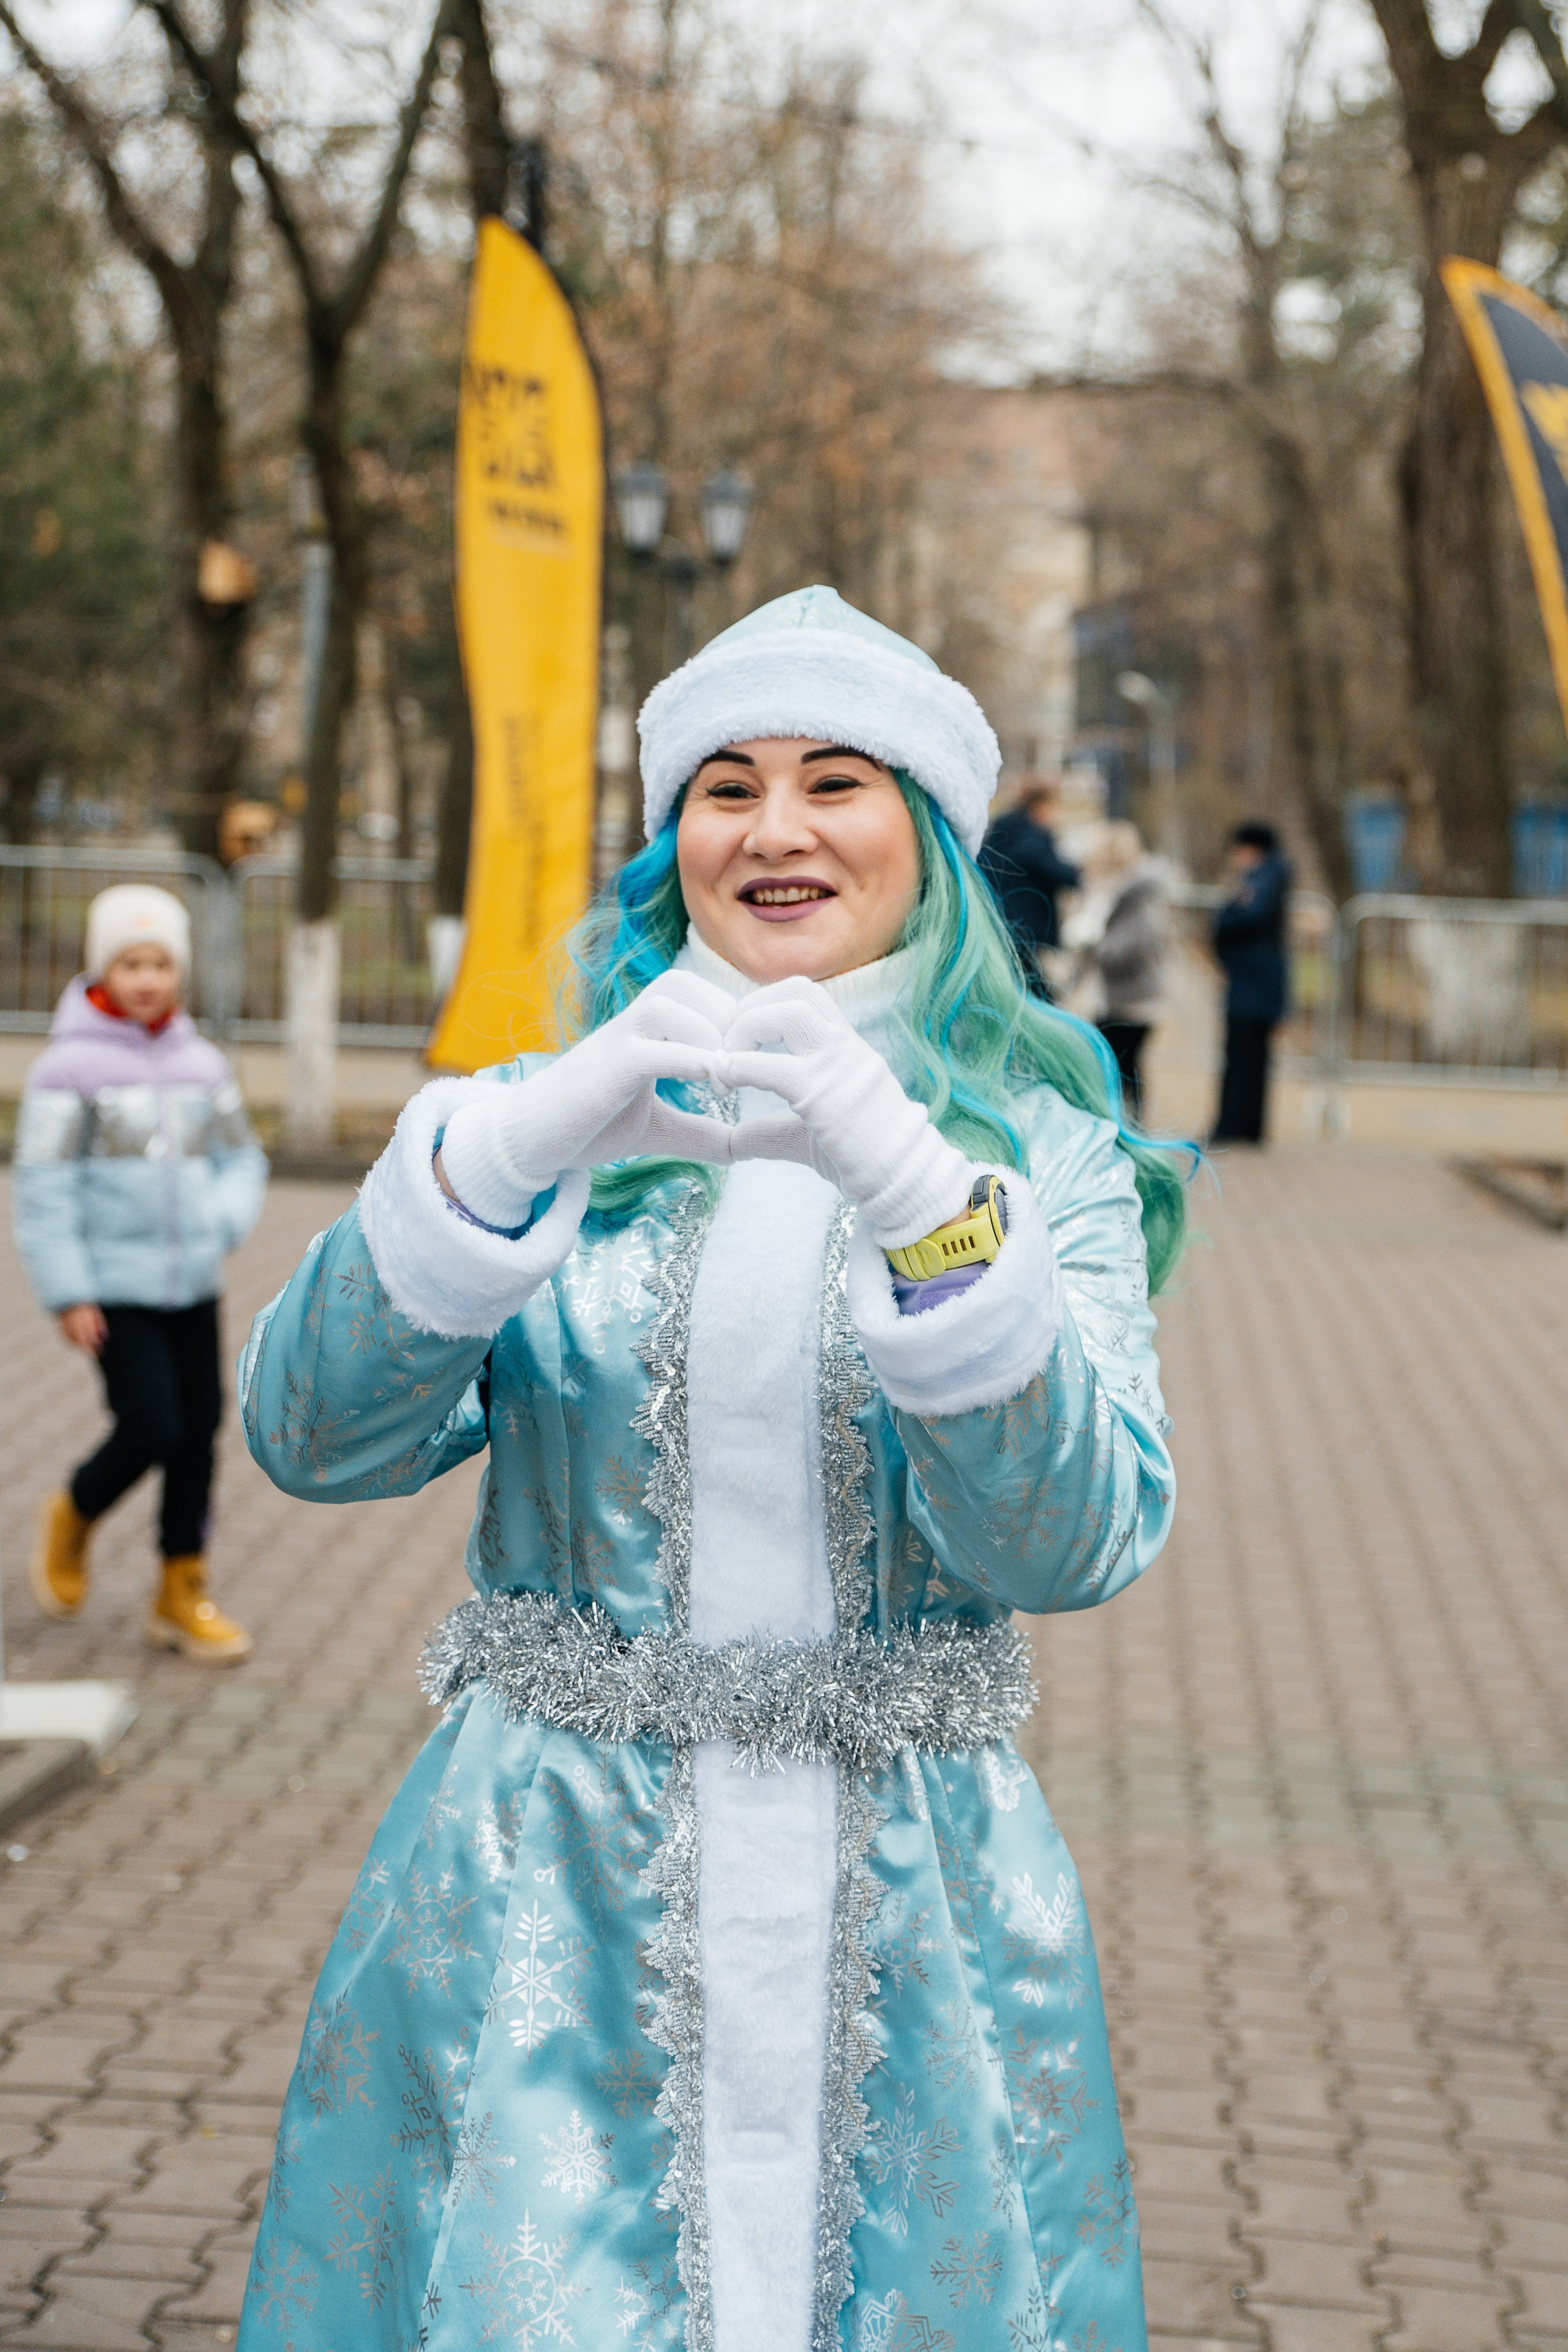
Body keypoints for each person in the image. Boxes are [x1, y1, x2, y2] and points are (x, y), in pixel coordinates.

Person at [234, 586, 1186, 2352]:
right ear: (676, 842)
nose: (777, 828)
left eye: (837, 778)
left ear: (932, 837)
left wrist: (919, 1196)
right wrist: (502, 1155)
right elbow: (310, 1435)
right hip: (542, 1895)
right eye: (726, 785)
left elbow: (1074, 1539)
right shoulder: (547, 1112)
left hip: (921, 1911)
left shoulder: (1044, 1157)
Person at [13, 884, 268, 1660]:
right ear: (103, 969)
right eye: (130, 962)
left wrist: (220, 1220)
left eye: (160, 963)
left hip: (193, 1283)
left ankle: (180, 1587)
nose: (147, 978)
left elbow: (243, 1157)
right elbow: (44, 1186)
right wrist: (69, 1290)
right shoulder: (68, 1069)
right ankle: (74, 1514)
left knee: (199, 1432)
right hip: (112, 1290)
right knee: (151, 1424)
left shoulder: (200, 1061)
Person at [1066, 820, 1168, 1123]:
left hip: (1131, 1002)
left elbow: (1133, 946)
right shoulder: (1119, 894)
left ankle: (1130, 1131)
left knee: (1121, 1070)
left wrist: (1092, 943)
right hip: (1117, 999)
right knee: (1121, 1071)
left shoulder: (1138, 896)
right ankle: (1127, 1128)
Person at [1211, 819, 1292, 1145]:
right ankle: (1244, 1127)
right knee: (1250, 1056)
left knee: (1245, 1056)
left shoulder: (1263, 879)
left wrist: (1224, 920)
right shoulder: (1269, 876)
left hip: (1253, 983)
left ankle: (1235, 1126)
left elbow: (1243, 916)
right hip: (1256, 982)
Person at [978, 774, 1082, 997]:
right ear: (1040, 806)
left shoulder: (1001, 833)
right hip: (1029, 933)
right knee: (1039, 999)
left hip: (1000, 926)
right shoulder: (1031, 839)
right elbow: (1066, 876)